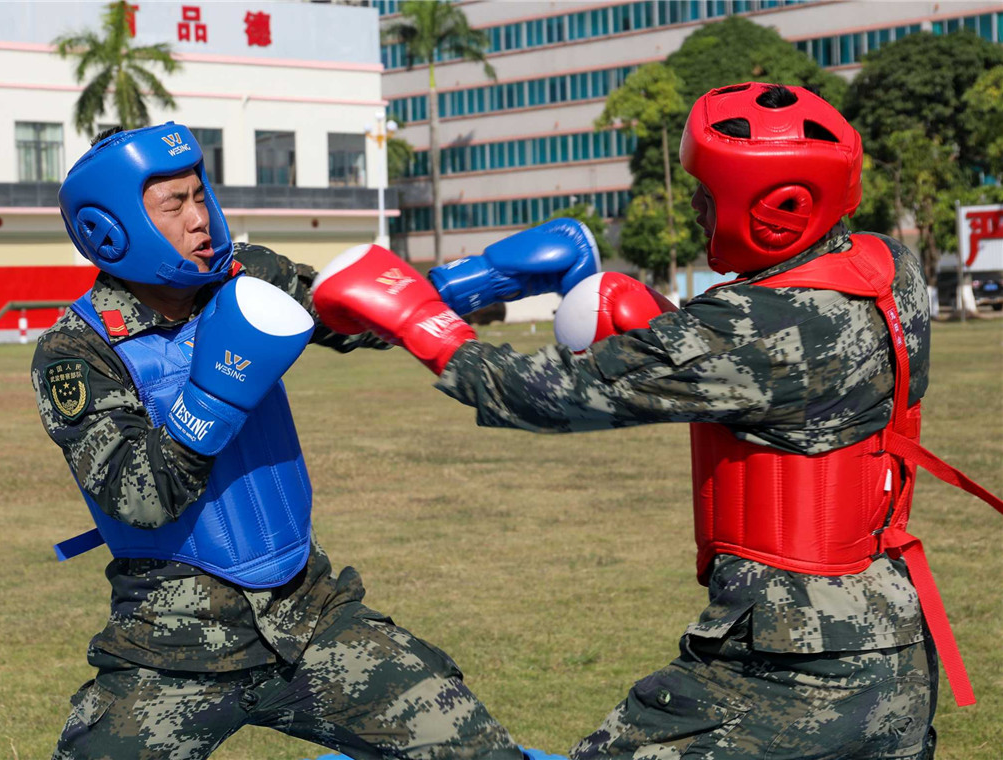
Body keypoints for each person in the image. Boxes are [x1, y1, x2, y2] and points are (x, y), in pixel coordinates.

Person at [310, 84, 1002, 759]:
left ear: (779, 207)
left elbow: (540, 394)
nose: (696, 207)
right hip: (894, 647)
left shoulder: (755, 327)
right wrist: (660, 328)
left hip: (788, 672)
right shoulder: (889, 265)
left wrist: (420, 319)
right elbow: (780, 374)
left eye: (709, 194)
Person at [33, 122, 527, 760]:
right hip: (172, 644)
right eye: (174, 204)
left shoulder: (246, 275)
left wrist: (481, 282)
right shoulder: (76, 351)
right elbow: (141, 500)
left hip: (310, 615)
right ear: (111, 228)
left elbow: (354, 316)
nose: (200, 218)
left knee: (479, 750)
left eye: (199, 195)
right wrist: (212, 393)